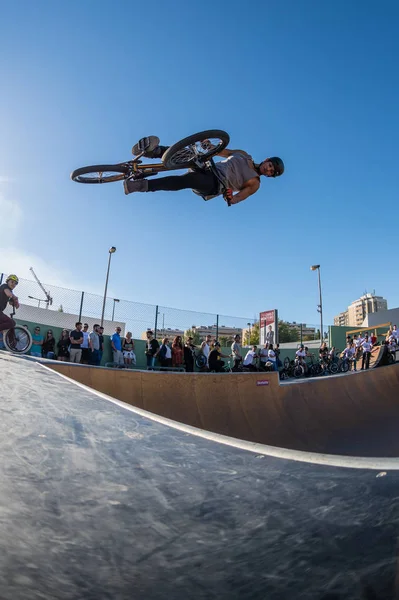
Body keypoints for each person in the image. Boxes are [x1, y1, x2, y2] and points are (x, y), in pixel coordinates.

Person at [124, 136, 284, 206]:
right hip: (210, 167)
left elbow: (240, 197)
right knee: (191, 154)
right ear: (267, 160)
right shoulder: (244, 155)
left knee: (187, 180)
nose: (268, 170)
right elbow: (221, 152)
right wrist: (208, 146)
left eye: (271, 172)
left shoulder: (255, 182)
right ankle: (154, 150)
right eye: (270, 166)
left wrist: (231, 198)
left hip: (215, 184)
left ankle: (139, 186)